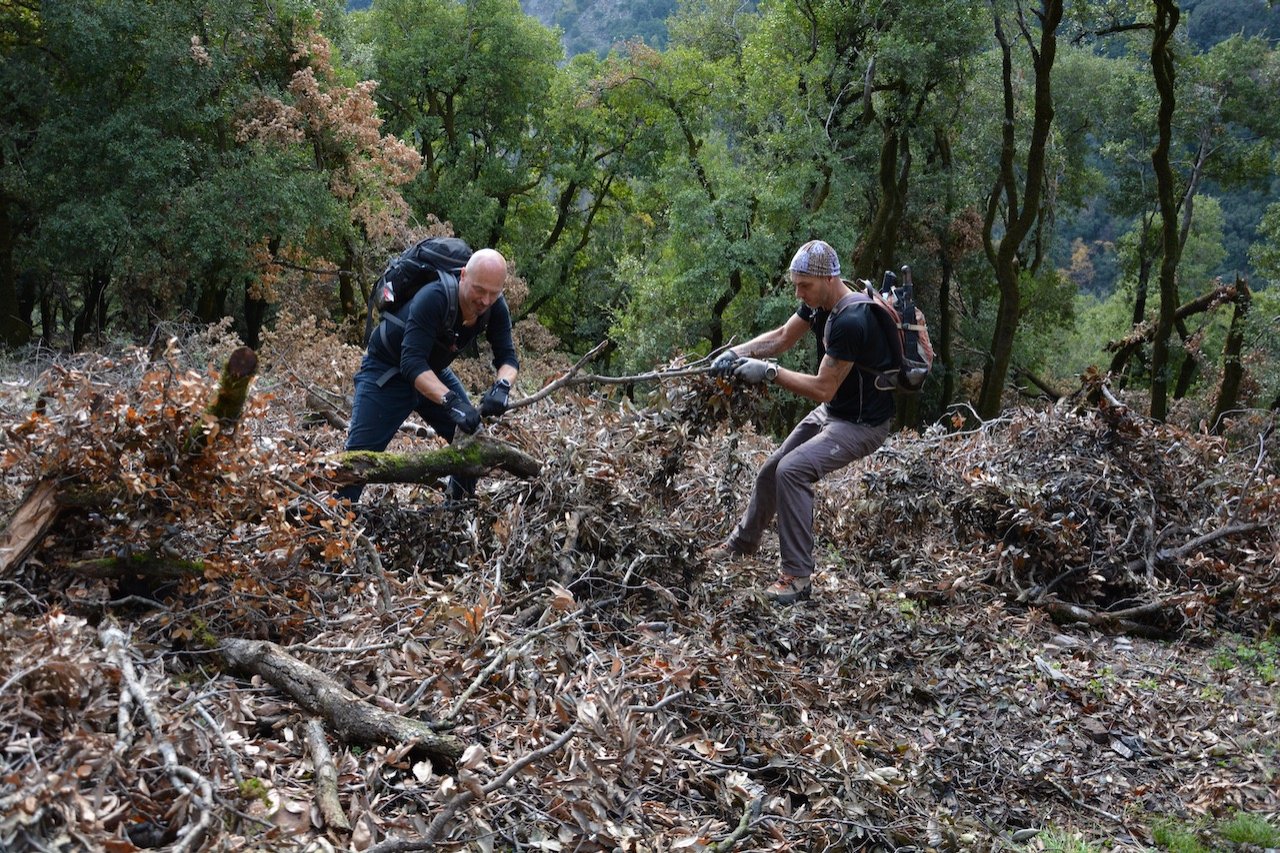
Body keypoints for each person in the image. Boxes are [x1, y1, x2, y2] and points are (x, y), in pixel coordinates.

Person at [705, 239, 895, 604]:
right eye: (796, 284)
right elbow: (779, 338)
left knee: (791, 472)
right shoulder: (817, 304)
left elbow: (823, 388)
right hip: (835, 412)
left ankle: (797, 578)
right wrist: (735, 353)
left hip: (861, 424)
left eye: (804, 285)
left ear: (828, 279)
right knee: (770, 471)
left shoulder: (851, 321)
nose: (799, 292)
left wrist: (770, 373)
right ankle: (741, 545)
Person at [340, 245, 519, 504]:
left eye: (493, 293)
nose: (485, 300)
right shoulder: (434, 296)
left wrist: (502, 386)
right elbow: (411, 363)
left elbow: (508, 358)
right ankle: (334, 527)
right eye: (479, 290)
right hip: (386, 371)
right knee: (357, 462)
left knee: (472, 442)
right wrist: (452, 402)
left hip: (432, 372)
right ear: (463, 276)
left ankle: (457, 513)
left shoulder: (494, 305)